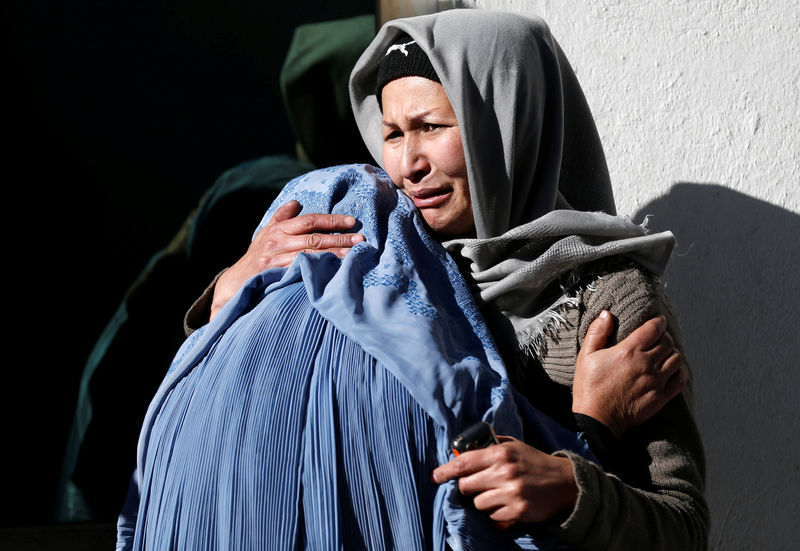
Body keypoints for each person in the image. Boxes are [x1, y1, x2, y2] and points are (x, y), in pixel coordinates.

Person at [125, 9, 707, 551]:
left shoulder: (604, 295)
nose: (407, 165)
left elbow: (683, 525)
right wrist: (234, 288)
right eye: (394, 133)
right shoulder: (382, 250)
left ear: (504, 122)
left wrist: (570, 483)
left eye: (430, 127)